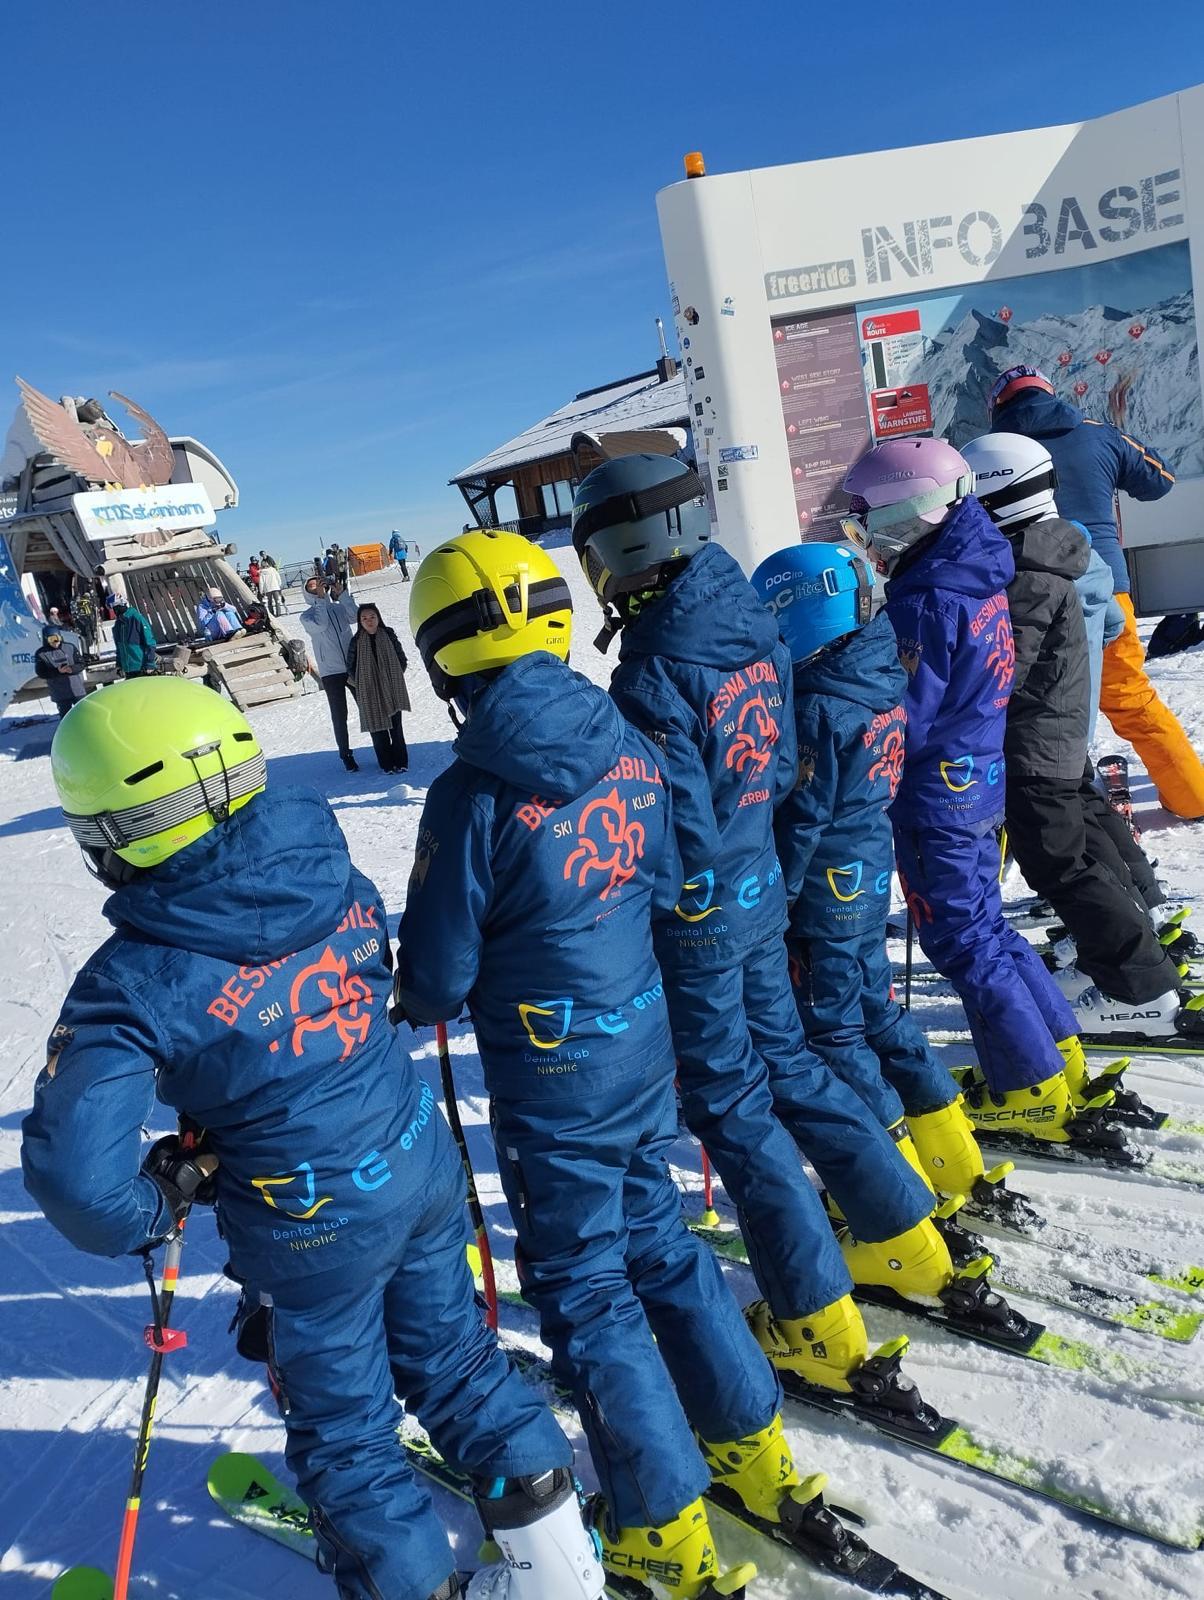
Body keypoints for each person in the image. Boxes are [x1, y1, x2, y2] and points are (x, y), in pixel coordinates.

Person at [21, 679, 604, 1600]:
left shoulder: (135, 975)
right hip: (412, 1153)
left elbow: (77, 1179)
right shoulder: (324, 863)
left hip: (313, 1220)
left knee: (348, 1433)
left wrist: (160, 1197)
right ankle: (557, 1573)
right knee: (456, 1361)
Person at [571, 454, 965, 1393]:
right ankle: (906, 1229)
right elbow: (782, 756)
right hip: (757, 884)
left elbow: (672, 826)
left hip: (708, 912)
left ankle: (812, 1317)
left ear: (616, 551)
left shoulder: (660, 663)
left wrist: (638, 908)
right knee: (784, 1065)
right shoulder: (747, 623)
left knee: (731, 1105)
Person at [841, 435, 1114, 1151]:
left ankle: (1027, 1085)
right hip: (977, 780)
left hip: (939, 794)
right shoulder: (974, 572)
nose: (864, 536)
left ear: (913, 509)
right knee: (987, 930)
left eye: (868, 517)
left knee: (962, 940)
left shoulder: (927, 601)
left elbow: (907, 712)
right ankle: (1057, 1057)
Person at [749, 540, 986, 1201]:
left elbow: (802, 821)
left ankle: (897, 1180)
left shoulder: (818, 709)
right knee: (879, 1013)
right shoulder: (880, 680)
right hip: (868, 877)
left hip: (824, 897)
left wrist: (774, 903)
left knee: (833, 1031)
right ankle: (953, 1152)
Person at [960, 433, 1191, 1048]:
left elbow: (1000, 670)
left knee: (1060, 864)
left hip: (1034, 741)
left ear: (993, 495)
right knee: (1082, 847)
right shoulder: (1070, 549)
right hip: (1065, 729)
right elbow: (1112, 623)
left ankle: (1137, 990)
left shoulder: (1024, 573)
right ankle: (1133, 953)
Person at [988, 364, 1204, 820]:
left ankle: (1035, 813)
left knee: (1028, 714)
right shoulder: (1095, 434)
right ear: (1052, 393)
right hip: (1103, 589)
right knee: (1131, 698)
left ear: (998, 405)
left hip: (1018, 602)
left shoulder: (982, 453)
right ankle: (1191, 797)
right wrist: (1115, 439)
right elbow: (1159, 481)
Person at [299, 574, 360, 771]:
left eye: (319, 582)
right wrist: (320, 599)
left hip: (352, 665)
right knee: (339, 714)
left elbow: (355, 616)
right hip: (331, 672)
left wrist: (342, 594)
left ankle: (382, 744)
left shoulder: (337, 607)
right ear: (307, 593)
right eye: (312, 586)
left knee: (367, 706)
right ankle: (346, 754)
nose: (317, 585)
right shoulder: (307, 616)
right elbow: (321, 624)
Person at [347, 603, 410, 774]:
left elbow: (401, 658)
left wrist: (394, 675)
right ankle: (386, 764)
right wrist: (362, 683)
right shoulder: (356, 641)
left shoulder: (388, 634)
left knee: (396, 727)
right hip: (369, 691)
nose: (369, 621)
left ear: (378, 617)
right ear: (360, 621)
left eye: (372, 617)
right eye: (364, 618)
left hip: (392, 687)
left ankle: (401, 761)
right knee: (378, 729)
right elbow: (350, 667)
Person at [34, 628, 87, 718]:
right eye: (51, 640)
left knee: (84, 714)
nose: (55, 642)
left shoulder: (70, 647)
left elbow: (81, 664)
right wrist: (57, 671)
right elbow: (41, 672)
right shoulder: (41, 653)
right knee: (66, 718)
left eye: (57, 639)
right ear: (46, 639)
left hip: (76, 690)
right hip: (60, 693)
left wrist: (72, 669)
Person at [112, 599, 159, 677]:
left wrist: (150, 663)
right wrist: (119, 664)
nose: (114, 611)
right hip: (128, 668)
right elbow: (119, 647)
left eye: (115, 608)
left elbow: (150, 642)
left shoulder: (137, 618)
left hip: (141, 667)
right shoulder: (118, 624)